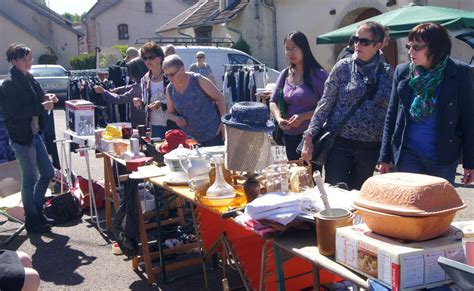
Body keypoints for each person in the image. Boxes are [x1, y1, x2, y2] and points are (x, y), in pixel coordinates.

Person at [378, 23, 474, 185]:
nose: (410, 52)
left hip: (443, 156)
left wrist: (470, 163)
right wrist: (384, 157)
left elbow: (468, 118)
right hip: (408, 155)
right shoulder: (402, 72)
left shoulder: (459, 72)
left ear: (436, 48)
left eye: (416, 47)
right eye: (409, 46)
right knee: (410, 206)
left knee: (438, 207)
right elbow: (392, 115)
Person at [301, 22, 393, 190]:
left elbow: (390, 114)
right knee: (336, 195)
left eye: (364, 41)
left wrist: (387, 154)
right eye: (355, 39)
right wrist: (309, 137)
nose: (358, 44)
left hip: (370, 149)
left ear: (378, 45)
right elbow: (325, 103)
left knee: (359, 199)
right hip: (340, 145)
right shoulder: (343, 67)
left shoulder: (388, 73)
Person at [0, 43, 56, 233]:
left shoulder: (30, 79)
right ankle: (32, 219)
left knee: (47, 173)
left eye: (30, 58)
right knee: (30, 178)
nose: (28, 62)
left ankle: (36, 211)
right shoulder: (8, 85)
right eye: (24, 59)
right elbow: (15, 112)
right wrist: (42, 107)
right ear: (14, 61)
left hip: (34, 133)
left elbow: (39, 99)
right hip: (21, 138)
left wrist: (48, 98)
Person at [269, 31, 328, 162]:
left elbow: (328, 107)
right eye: (287, 49)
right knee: (294, 177)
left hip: (311, 138)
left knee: (310, 178)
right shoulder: (285, 74)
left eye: (294, 48)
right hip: (288, 137)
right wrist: (279, 119)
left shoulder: (319, 75)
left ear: (304, 48)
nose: (291, 52)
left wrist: (303, 117)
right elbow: (273, 101)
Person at [163, 54, 226, 146]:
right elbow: (169, 112)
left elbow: (220, 98)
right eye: (166, 75)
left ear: (182, 69)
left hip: (212, 135)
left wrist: (223, 122)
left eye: (172, 74)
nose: (169, 78)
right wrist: (176, 118)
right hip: (190, 140)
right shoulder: (170, 89)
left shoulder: (198, 80)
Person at [93, 57, 148, 128]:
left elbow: (120, 99)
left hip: (139, 123)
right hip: (141, 121)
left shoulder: (138, 88)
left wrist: (103, 91)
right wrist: (117, 89)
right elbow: (130, 87)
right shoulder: (144, 82)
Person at [131, 42, 169, 138]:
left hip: (173, 122)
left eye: (151, 57)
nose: (148, 60)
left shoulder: (169, 75)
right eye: (145, 58)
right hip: (155, 124)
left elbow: (178, 98)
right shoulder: (144, 79)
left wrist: (161, 104)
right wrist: (139, 102)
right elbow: (146, 103)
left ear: (160, 57)